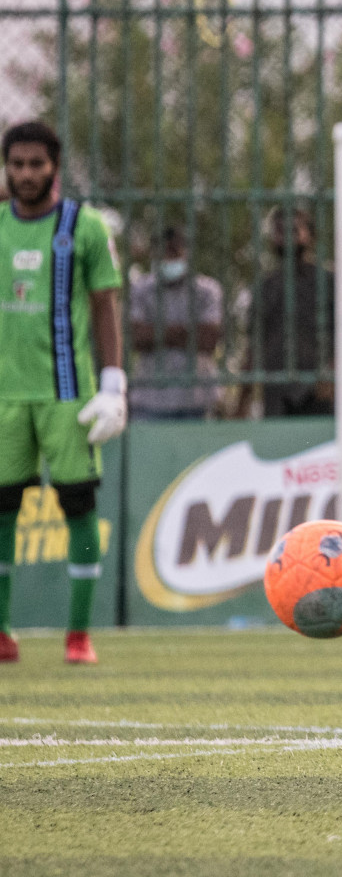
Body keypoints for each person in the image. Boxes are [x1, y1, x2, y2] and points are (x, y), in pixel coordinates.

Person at [0, 120, 126, 664]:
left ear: (54, 165)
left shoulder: (86, 227)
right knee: (2, 513)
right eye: (17, 164)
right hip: (5, 399)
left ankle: (78, 636)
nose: (26, 174)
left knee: (78, 506)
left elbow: (104, 306)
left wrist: (115, 385)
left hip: (68, 395)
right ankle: (3, 632)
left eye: (36, 164)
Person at [236, 206, 335, 418]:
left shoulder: (328, 282)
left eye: (293, 229)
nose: (286, 236)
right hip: (277, 392)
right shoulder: (265, 287)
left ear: (310, 234)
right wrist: (242, 399)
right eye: (279, 230)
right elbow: (254, 345)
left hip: (319, 391)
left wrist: (332, 373)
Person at [129, 226, 224, 419]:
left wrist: (156, 333)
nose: (167, 258)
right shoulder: (141, 289)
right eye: (161, 253)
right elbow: (137, 338)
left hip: (198, 399)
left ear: (186, 253)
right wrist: (189, 334)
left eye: (173, 252)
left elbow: (208, 341)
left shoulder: (207, 291)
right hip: (149, 400)